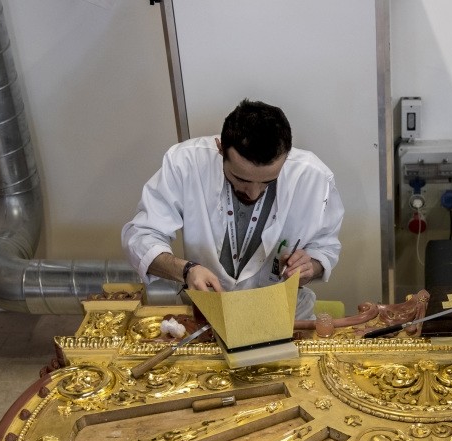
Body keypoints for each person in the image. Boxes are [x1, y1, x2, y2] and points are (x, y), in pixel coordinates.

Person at [122, 99, 343, 320]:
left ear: (286, 158)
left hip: (282, 314)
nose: (253, 193)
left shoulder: (315, 178)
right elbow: (141, 236)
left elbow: (325, 248)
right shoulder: (186, 162)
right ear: (220, 149)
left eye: (267, 182)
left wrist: (310, 266)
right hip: (207, 311)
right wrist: (186, 270)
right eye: (241, 179)